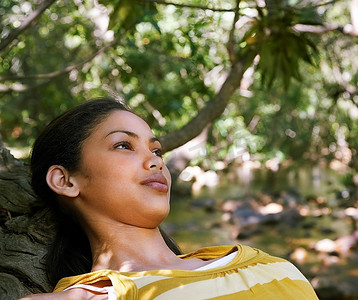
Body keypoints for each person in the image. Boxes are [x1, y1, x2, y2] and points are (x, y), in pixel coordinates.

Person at [21, 98, 319, 299]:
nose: (155, 162)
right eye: (124, 145)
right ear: (65, 180)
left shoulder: (266, 265)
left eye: (157, 150)